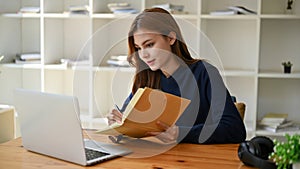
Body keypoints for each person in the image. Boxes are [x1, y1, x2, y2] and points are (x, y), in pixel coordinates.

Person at [107, 7, 246, 144]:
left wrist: (181, 133)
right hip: (155, 160)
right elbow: (126, 124)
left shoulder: (204, 73)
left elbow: (235, 129)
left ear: (171, 38)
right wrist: (117, 128)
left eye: (149, 44)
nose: (143, 55)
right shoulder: (147, 77)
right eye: (138, 48)